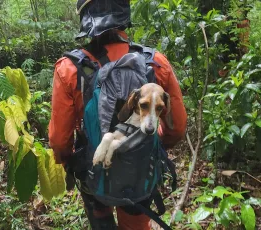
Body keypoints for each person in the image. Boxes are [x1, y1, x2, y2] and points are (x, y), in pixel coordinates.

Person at [48, 0, 187, 229]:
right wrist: (148, 143)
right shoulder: (155, 62)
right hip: (140, 172)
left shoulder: (69, 68)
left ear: (85, 18)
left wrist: (68, 160)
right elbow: (177, 128)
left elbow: (59, 140)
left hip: (93, 171)